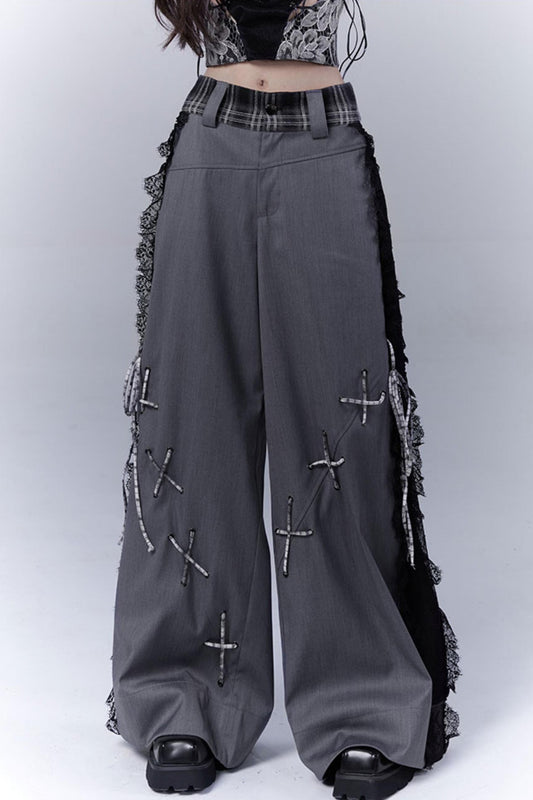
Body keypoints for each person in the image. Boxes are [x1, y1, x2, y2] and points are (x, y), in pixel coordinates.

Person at [105, 1, 462, 797]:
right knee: (188, 426)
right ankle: (184, 695)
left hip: (321, 146)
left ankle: (361, 700)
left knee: (340, 427)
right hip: (211, 145)